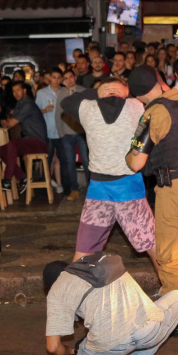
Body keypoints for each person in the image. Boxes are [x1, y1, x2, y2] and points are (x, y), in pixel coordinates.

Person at [125, 65, 178, 336]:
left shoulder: (156, 112)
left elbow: (136, 162)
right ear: (160, 82)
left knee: (171, 255)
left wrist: (128, 153)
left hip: (175, 190)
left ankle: (174, 318)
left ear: (137, 96)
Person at [43, 255, 178, 355]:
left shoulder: (57, 289)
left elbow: (53, 347)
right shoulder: (93, 262)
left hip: (113, 343)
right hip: (149, 330)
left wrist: (71, 352)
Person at [60, 77, 159, 273]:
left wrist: (99, 92)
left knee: (83, 251)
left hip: (99, 189)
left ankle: (73, 298)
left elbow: (66, 101)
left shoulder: (87, 108)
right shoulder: (137, 105)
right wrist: (122, 92)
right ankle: (172, 290)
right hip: (129, 188)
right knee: (154, 246)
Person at [0, 81, 48, 194]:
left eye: (18, 90)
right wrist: (8, 121)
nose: (16, 93)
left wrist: (7, 120)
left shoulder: (27, 104)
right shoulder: (20, 103)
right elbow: (10, 122)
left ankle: (7, 181)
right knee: (0, 151)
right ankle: (23, 177)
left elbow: (10, 123)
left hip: (38, 142)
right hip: (28, 140)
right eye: (14, 91)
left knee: (12, 145)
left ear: (24, 91)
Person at [55, 69, 89, 200]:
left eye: (71, 77)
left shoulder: (83, 91)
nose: (69, 80)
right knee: (70, 162)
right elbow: (58, 113)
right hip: (67, 133)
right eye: (66, 78)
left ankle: (91, 189)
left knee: (86, 161)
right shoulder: (62, 93)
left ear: (75, 77)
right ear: (63, 81)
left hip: (81, 132)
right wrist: (60, 131)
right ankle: (74, 189)